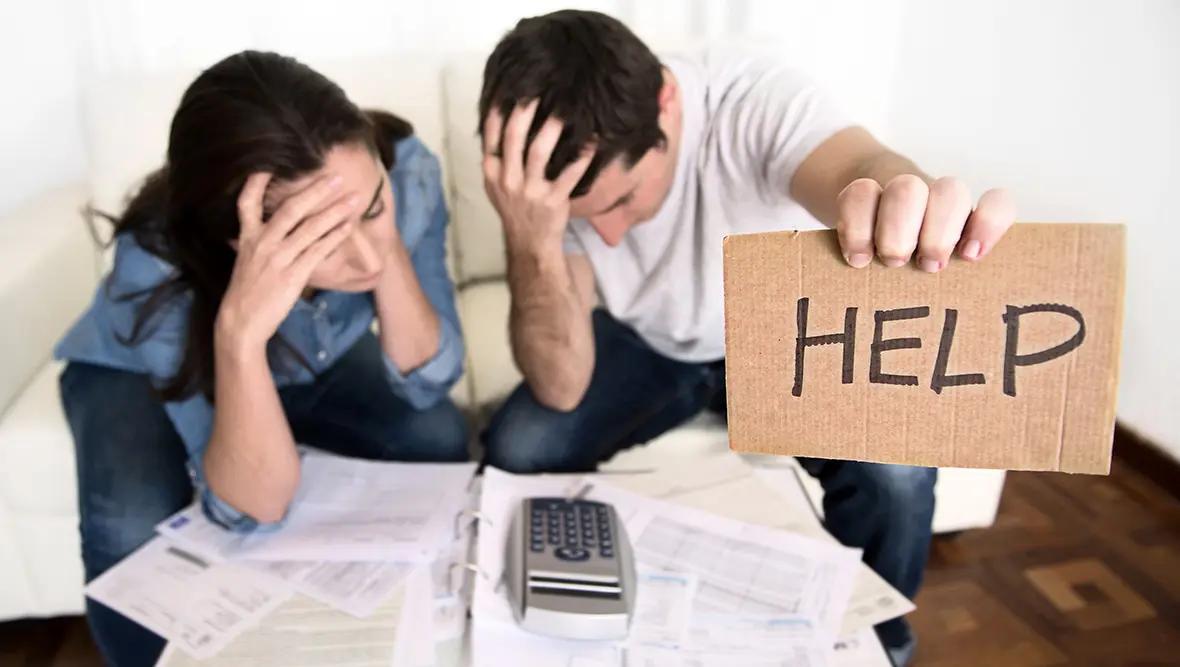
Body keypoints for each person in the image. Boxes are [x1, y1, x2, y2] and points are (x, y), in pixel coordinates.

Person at [477, 11, 1016, 665]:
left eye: (624, 201)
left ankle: (883, 641)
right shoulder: (541, 184)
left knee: (896, 470)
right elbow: (561, 388)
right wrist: (533, 236)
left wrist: (897, 198)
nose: (611, 236)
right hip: (648, 341)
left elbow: (859, 166)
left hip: (778, 333)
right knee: (518, 442)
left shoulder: (750, 98)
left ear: (666, 105)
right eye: (586, 221)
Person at [55, 51, 468, 666]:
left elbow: (428, 380)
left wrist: (382, 228)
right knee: (129, 527)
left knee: (437, 437)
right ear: (240, 239)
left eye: (372, 209)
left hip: (306, 355)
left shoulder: (404, 171)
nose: (365, 263)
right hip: (131, 371)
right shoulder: (157, 265)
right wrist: (240, 337)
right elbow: (249, 510)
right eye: (321, 239)